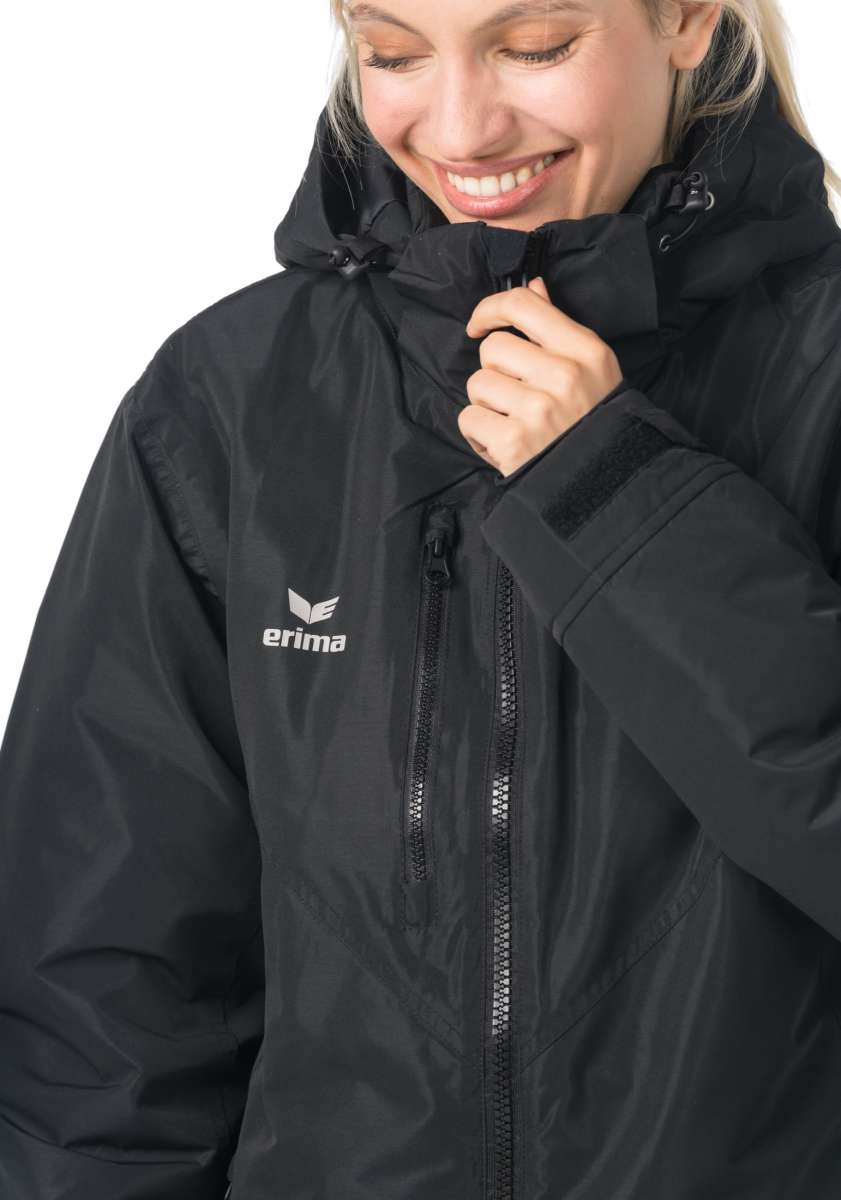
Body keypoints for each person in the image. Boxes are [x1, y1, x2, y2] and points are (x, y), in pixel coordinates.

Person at [2, 0, 841, 1195]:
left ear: (690, 18)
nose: (458, 129)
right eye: (392, 53)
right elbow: (102, 994)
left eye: (534, 47)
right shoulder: (233, 402)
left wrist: (619, 502)